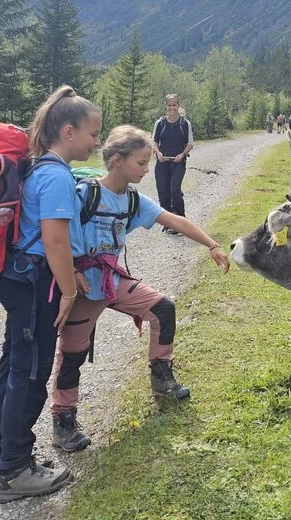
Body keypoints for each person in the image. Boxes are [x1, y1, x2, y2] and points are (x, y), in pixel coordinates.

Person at [48, 125, 231, 452]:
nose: (148, 170)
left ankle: (162, 380)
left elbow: (175, 221)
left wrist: (212, 245)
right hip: (81, 286)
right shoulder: (84, 194)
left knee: (163, 308)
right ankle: (63, 419)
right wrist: (72, 271)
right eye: (142, 163)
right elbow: (60, 234)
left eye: (149, 163)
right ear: (117, 160)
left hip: (112, 280)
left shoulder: (133, 200)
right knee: (72, 353)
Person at [0, 86, 101, 503]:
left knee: (14, 365)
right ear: (68, 132)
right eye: (92, 133)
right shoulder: (56, 176)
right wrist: (68, 291)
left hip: (16, 279)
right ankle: (13, 472)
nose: (96, 142)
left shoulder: (37, 168)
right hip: (36, 284)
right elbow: (56, 242)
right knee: (30, 374)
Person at [152, 94, 193, 235]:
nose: (172, 108)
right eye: (169, 105)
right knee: (163, 192)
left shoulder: (184, 124)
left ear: (178, 106)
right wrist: (158, 153)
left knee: (174, 191)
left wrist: (182, 154)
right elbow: (154, 142)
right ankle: (168, 222)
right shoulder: (160, 123)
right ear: (166, 107)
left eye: (174, 105)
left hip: (178, 162)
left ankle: (181, 222)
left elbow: (190, 143)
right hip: (162, 161)